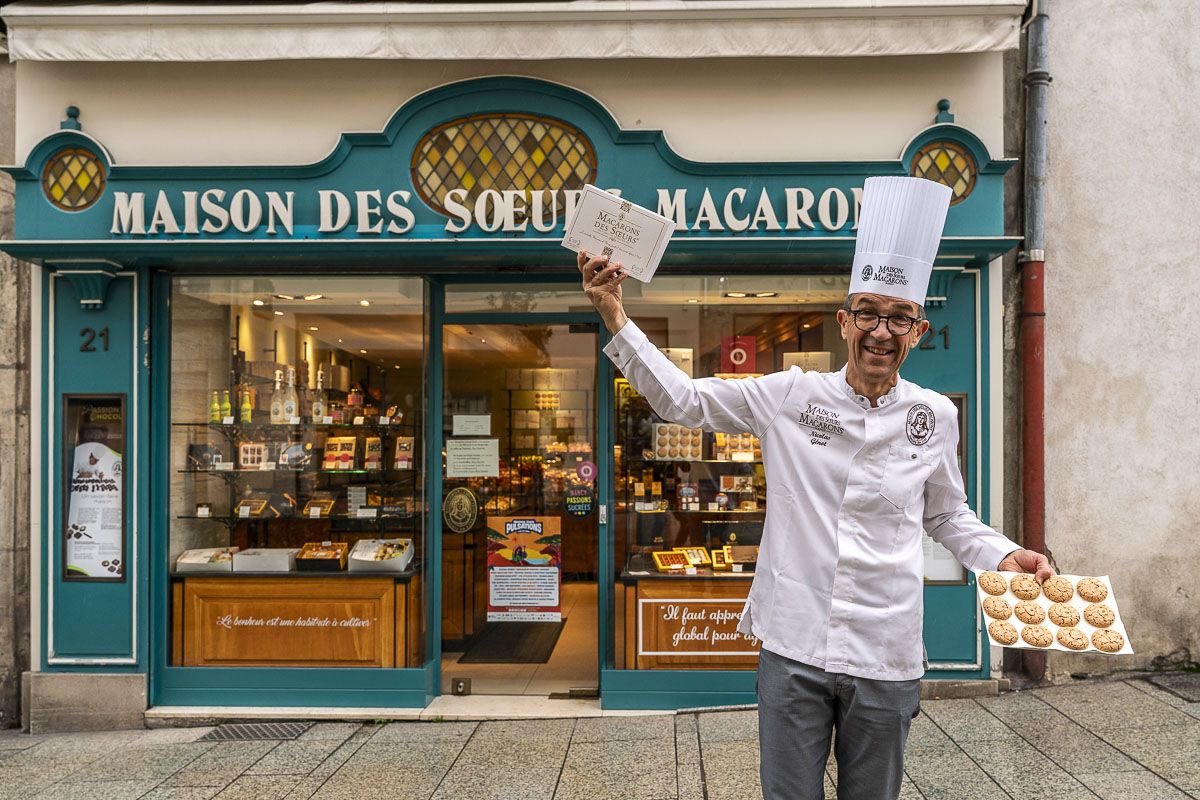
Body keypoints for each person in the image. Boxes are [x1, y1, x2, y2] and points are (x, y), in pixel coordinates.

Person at [576, 176, 1053, 800]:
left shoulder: (935, 415)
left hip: (886, 650)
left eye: (899, 318)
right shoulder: (791, 395)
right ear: (843, 321)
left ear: (917, 329)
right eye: (868, 315)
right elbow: (685, 401)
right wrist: (615, 313)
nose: (882, 331)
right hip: (795, 644)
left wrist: (1002, 553)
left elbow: (947, 515)